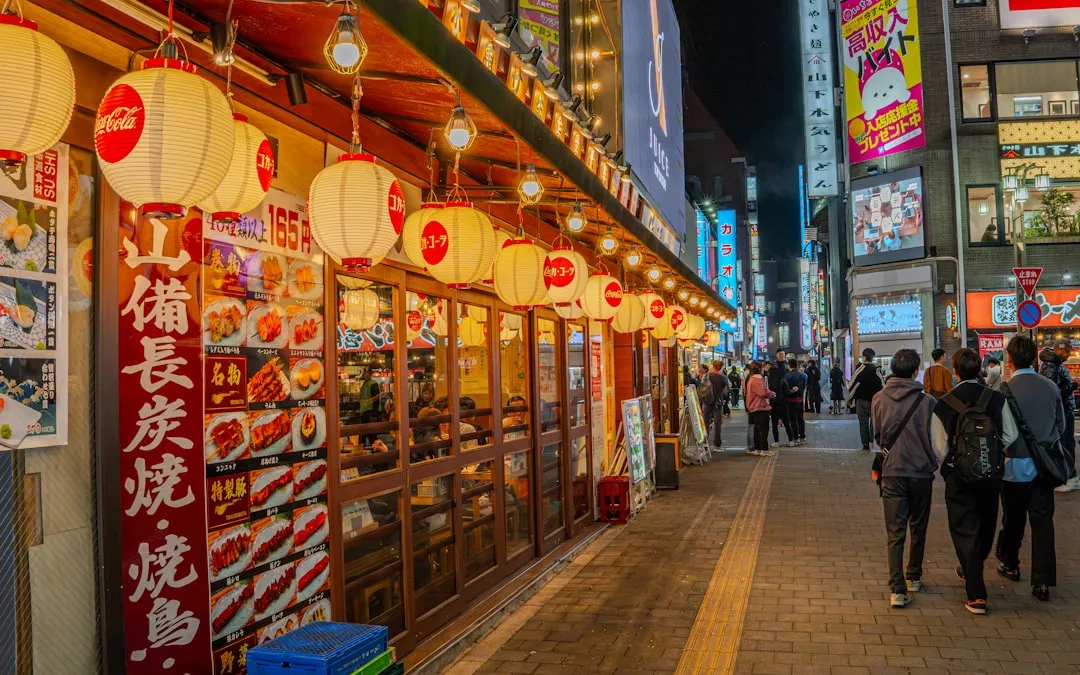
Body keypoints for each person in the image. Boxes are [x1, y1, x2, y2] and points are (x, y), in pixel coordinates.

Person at [931, 348, 1015, 615]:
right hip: (991, 474)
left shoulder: (944, 402)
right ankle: (973, 570)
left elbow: (938, 445)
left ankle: (976, 593)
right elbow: (1010, 435)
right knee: (987, 523)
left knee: (964, 527)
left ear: (955, 371)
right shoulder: (996, 398)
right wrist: (992, 453)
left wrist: (955, 459)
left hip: (959, 476)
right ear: (979, 368)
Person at [999, 335, 1064, 602]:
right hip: (1044, 468)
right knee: (1042, 523)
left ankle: (1010, 563)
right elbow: (1061, 426)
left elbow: (1002, 435)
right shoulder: (1050, 387)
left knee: (1013, 520)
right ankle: (1042, 582)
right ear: (1035, 358)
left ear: (1009, 360)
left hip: (1013, 467)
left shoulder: (1004, 390)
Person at [872, 349, 938, 609]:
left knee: (894, 531)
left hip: (892, 471)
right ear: (915, 371)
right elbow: (935, 438)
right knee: (918, 527)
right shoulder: (928, 401)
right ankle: (914, 576)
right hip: (921, 471)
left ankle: (897, 588)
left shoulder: (879, 398)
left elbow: (877, 435)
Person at [1039, 339, 1079, 492]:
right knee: (1066, 444)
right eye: (1067, 352)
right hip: (1061, 412)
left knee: (1067, 443)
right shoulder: (1051, 366)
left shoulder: (1054, 364)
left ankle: (1068, 475)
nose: (1069, 355)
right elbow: (1053, 392)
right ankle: (1066, 477)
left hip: (1063, 410)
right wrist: (1073, 386)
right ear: (1059, 350)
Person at [848, 348, 886, 451]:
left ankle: (865, 445)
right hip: (875, 402)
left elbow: (851, 385)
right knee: (874, 423)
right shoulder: (876, 369)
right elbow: (883, 386)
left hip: (861, 401)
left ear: (864, 357)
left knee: (863, 423)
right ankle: (871, 440)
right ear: (872, 357)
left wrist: (849, 399)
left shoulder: (860, 369)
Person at [744, 361, 776, 456]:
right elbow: (763, 393)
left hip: (754, 407)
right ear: (759, 369)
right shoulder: (757, 380)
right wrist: (772, 394)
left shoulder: (751, 379)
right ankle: (763, 450)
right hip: (760, 407)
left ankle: (758, 449)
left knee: (757, 430)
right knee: (763, 429)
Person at [766, 350, 790, 448]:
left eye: (783, 354)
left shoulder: (786, 366)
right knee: (776, 422)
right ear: (776, 355)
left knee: (786, 421)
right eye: (780, 354)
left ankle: (791, 439)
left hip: (784, 399)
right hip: (776, 399)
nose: (782, 356)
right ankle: (778, 441)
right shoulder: (774, 367)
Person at [784, 359, 807, 446]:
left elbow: (785, 388)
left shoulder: (787, 376)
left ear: (789, 365)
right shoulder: (803, 375)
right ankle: (803, 437)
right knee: (800, 418)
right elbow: (803, 387)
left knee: (793, 420)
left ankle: (795, 438)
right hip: (800, 399)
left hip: (790, 400)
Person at [708, 361, 729, 450]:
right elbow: (724, 391)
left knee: (705, 421)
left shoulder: (707, 376)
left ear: (713, 366)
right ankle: (717, 444)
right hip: (718, 401)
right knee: (717, 423)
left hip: (707, 401)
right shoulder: (723, 378)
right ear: (721, 367)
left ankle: (704, 443)